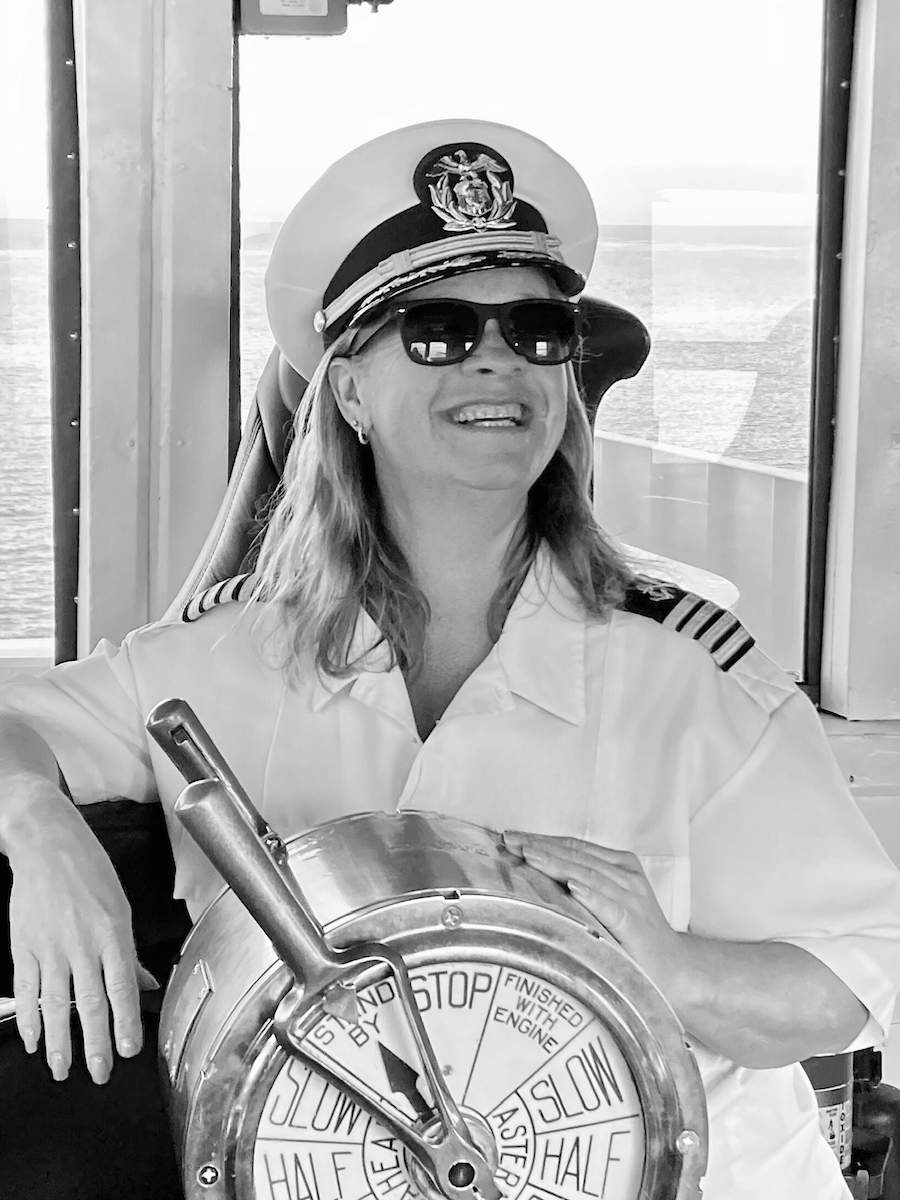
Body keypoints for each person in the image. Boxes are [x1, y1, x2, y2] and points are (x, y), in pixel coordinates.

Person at [0, 118, 898, 1199]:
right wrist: (38, 828)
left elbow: (850, 975)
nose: (496, 360)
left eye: (536, 330)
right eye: (434, 329)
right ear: (348, 394)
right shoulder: (221, 659)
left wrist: (670, 967)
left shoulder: (696, 678)